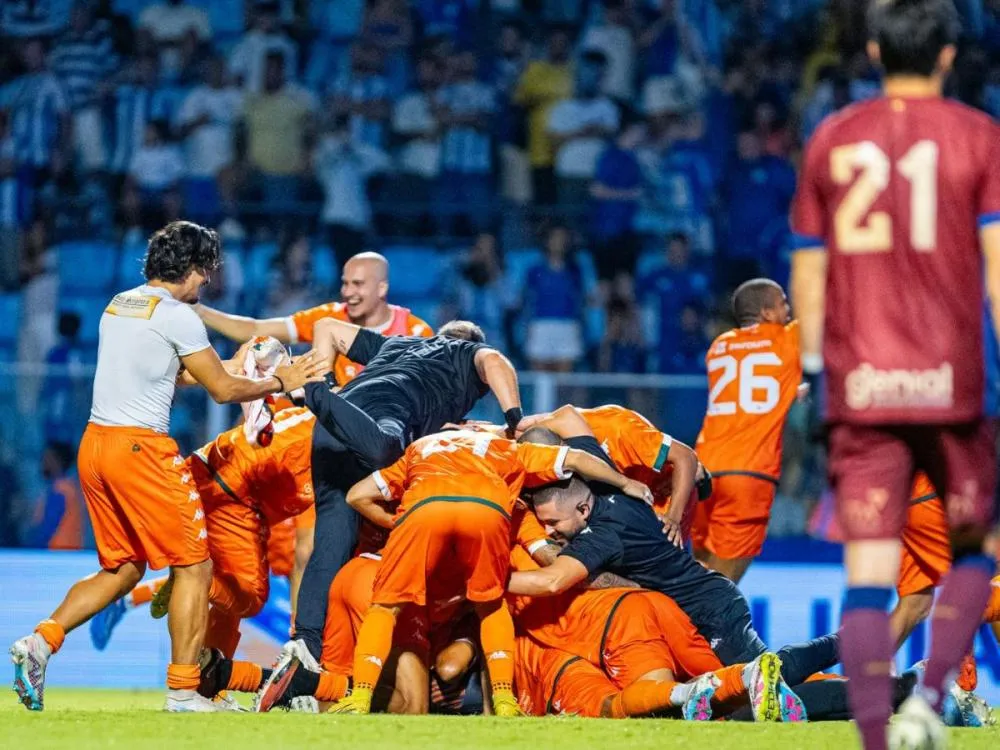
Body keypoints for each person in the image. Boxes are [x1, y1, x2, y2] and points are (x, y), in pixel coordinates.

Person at [789, 1, 1000, 747]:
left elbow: (809, 269)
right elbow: (999, 269)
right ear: (948, 55)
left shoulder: (833, 138)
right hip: (953, 385)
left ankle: (878, 738)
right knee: (978, 552)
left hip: (863, 385)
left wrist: (816, 368)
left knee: (868, 573)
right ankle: (931, 698)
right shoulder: (980, 137)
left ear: (874, 51)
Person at [8, 221, 325, 713]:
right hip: (141, 450)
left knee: (123, 568)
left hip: (95, 446)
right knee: (195, 566)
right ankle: (184, 691)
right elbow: (221, 390)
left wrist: (229, 366)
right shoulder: (179, 316)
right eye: (207, 272)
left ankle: (41, 642)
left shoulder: (120, 304)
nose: (207, 283)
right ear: (193, 268)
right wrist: (279, 381)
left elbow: (167, 372)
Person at [325, 428, 653, 715]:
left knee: (385, 610)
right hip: (485, 513)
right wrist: (626, 484)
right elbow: (577, 461)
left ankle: (352, 695)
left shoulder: (421, 448)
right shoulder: (509, 458)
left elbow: (357, 495)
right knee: (491, 605)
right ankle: (503, 701)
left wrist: (400, 523)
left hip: (399, 535)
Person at [279, 317, 525, 670]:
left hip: (334, 431)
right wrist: (515, 419)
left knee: (334, 543)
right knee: (387, 452)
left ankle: (305, 646)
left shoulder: (394, 344)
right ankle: (314, 393)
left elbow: (327, 327)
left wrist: (328, 377)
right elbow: (495, 362)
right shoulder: (464, 351)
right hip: (381, 421)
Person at [506, 427, 839, 683]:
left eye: (553, 522)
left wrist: (485, 579)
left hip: (709, 608)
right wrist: (516, 430)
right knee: (756, 688)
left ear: (581, 507)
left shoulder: (603, 535)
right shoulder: (608, 480)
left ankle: (848, 646)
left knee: (767, 680)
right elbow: (569, 417)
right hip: (704, 601)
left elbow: (551, 582)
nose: (549, 531)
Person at [692, 279, 802, 583]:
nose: (789, 310)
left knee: (698, 579)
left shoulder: (719, 347)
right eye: (783, 303)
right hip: (750, 474)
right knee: (721, 591)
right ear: (768, 312)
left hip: (703, 473)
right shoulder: (787, 340)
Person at [196, 251, 431, 387]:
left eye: (358, 284)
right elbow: (254, 329)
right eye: (345, 283)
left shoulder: (416, 333)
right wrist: (197, 310)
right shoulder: (329, 316)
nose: (348, 292)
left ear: (382, 288)